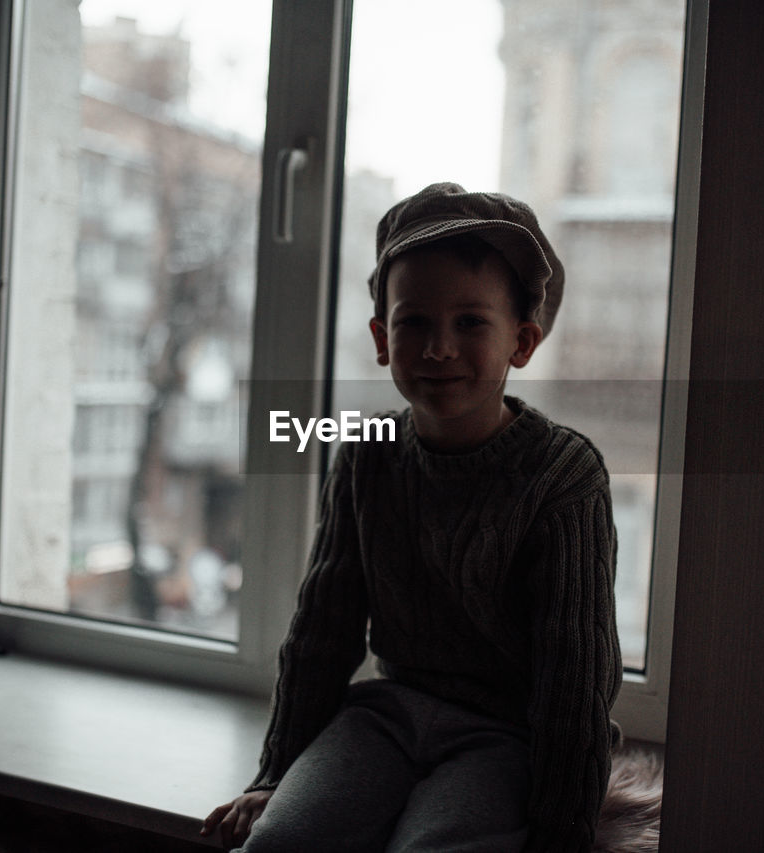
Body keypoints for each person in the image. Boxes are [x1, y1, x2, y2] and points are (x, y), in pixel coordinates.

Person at [200, 182, 622, 852]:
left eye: (471, 322)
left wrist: (563, 832)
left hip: (503, 735)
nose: (438, 347)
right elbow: (323, 629)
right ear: (380, 336)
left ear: (524, 338)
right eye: (414, 322)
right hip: (386, 718)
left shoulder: (564, 477)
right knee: (281, 842)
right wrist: (276, 771)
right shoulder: (367, 457)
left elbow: (575, 675)